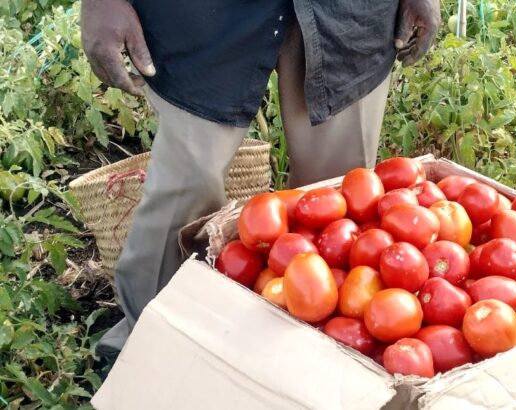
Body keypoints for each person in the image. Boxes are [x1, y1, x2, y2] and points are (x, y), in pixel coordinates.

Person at [82, 0, 440, 357]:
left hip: (350, 13)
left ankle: (314, 363)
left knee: (341, 209)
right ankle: (145, 345)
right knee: (185, 186)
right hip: (198, 17)